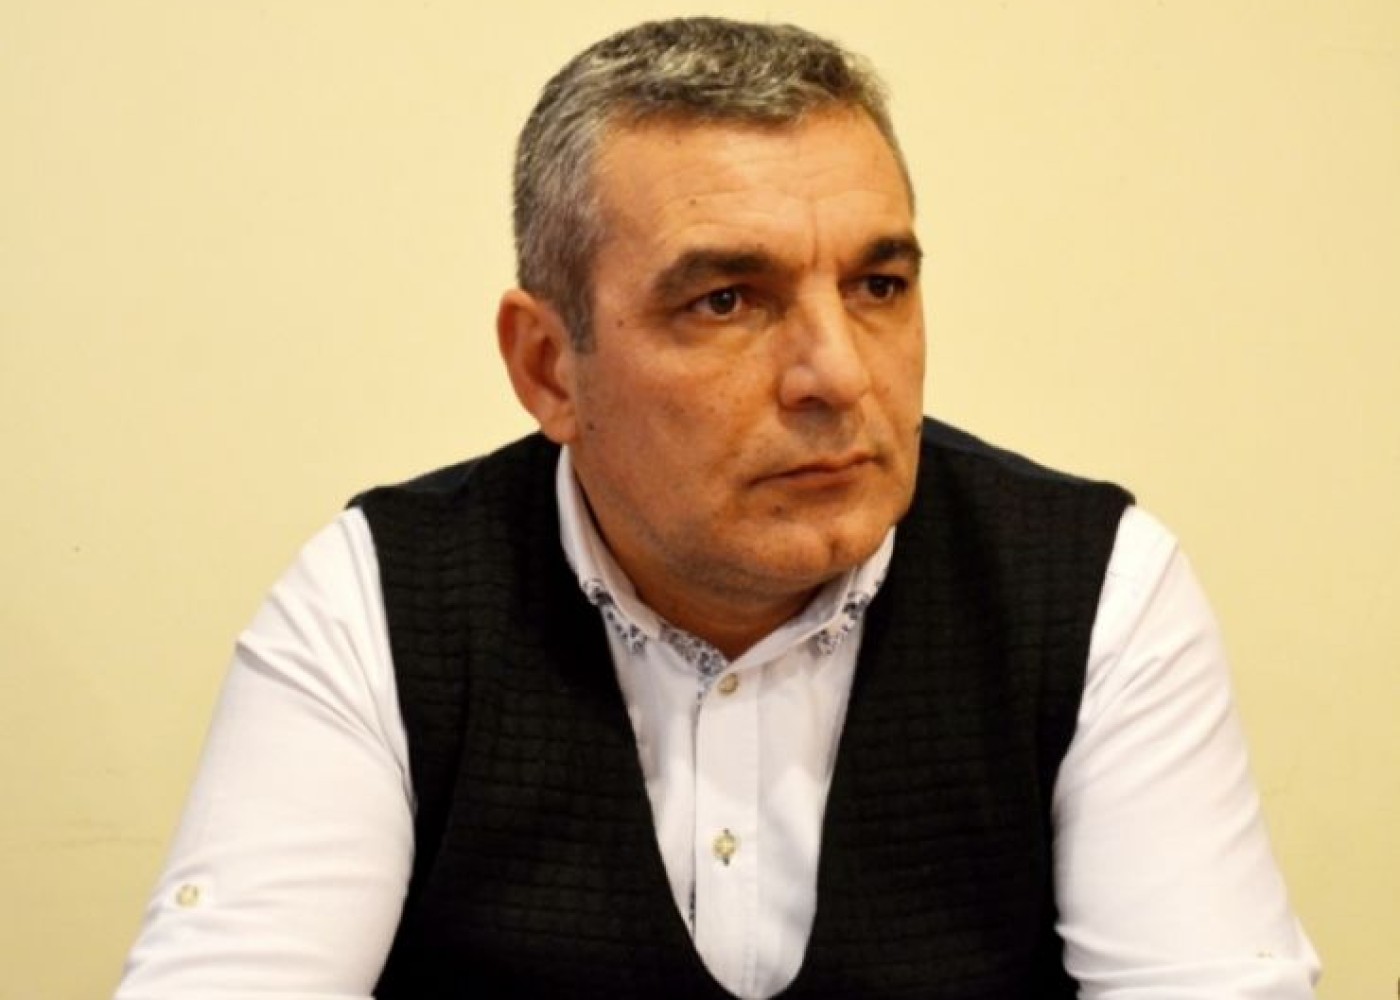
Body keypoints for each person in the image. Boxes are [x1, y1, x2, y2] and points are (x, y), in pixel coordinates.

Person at [116, 16, 1320, 999]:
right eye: (726, 301)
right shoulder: (381, 602)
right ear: (548, 366)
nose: (836, 375)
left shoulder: (1091, 587)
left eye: (878, 285)